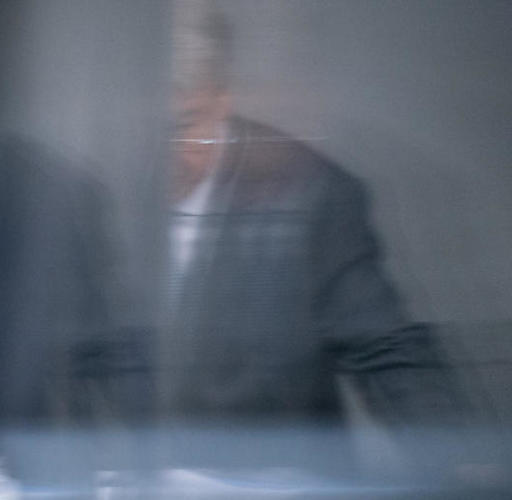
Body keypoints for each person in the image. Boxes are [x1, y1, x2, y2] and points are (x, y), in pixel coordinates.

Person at [154, 0, 465, 482]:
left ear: (221, 99)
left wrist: (458, 465)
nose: (165, 154)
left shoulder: (310, 194)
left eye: (184, 127)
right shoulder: (103, 190)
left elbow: (385, 350)